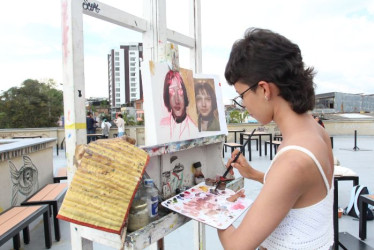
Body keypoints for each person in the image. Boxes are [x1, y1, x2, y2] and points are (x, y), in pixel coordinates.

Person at [218, 28, 334, 249]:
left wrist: (216, 210)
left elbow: (236, 246)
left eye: (242, 96)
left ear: (264, 89)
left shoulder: (294, 161)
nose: (244, 106)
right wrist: (252, 174)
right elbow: (299, 191)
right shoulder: (317, 132)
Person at [160, 70, 198, 140]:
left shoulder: (193, 128)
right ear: (167, 96)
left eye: (180, 91)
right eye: (171, 92)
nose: (177, 100)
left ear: (185, 95)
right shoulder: (162, 126)